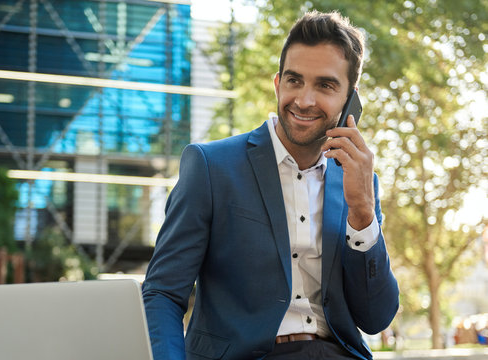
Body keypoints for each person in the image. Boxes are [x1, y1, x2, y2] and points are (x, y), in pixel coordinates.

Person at [141, 10, 399, 360]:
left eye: (325, 85)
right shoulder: (210, 167)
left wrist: (364, 214)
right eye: (295, 81)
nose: (304, 100)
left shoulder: (359, 183)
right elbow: (163, 294)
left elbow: (376, 316)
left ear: (351, 99)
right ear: (278, 84)